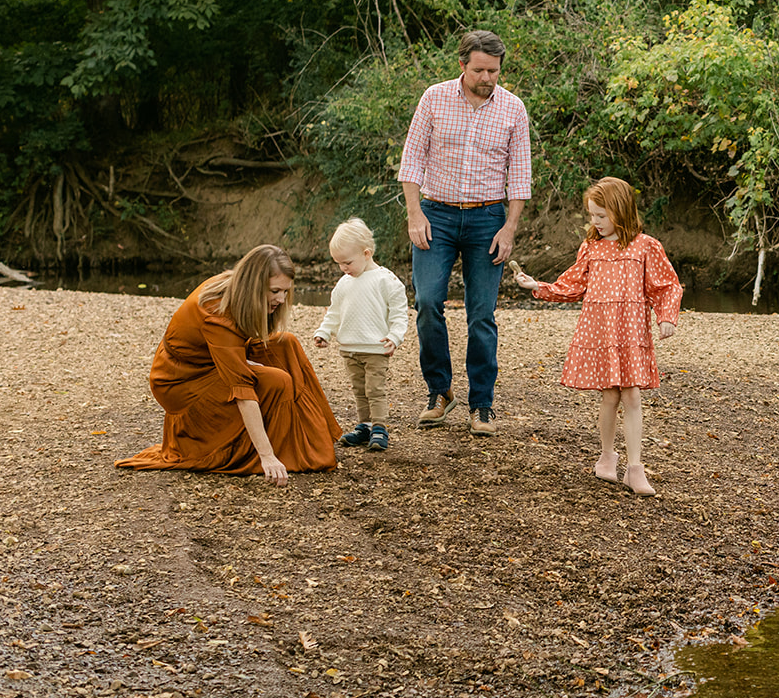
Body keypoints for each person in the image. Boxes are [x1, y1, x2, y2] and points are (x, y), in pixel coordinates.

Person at [397, 29, 531, 437]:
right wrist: (414, 214)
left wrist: (509, 229)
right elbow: (412, 160)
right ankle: (439, 392)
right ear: (462, 65)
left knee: (481, 315)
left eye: (493, 70)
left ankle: (481, 405)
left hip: (487, 219)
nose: (487, 77)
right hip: (435, 213)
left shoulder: (513, 108)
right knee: (428, 301)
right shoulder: (434, 98)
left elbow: (520, 176)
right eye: (479, 70)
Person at [117, 245, 343, 485]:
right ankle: (275, 450)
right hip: (181, 383)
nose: (281, 299)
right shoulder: (217, 310)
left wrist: (241, 360)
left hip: (209, 362)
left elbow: (236, 343)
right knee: (278, 381)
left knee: (287, 344)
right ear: (253, 286)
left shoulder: (238, 288)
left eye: (285, 291)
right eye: (275, 291)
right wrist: (266, 457)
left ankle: (308, 435)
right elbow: (243, 392)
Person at [513, 177, 682, 496]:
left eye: (601, 215)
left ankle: (635, 468)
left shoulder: (645, 246)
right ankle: (606, 457)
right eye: (592, 215)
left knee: (631, 395)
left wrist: (666, 317)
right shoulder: (591, 247)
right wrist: (539, 287)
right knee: (610, 396)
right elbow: (573, 284)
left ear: (620, 211)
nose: (595, 222)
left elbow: (667, 285)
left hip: (630, 331)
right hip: (600, 330)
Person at [312, 218, 410, 452]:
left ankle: (379, 427)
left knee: (375, 389)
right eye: (339, 264)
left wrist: (395, 337)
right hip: (349, 348)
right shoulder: (344, 284)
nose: (343, 268)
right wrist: (324, 332)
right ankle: (364, 425)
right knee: (359, 389)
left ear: (366, 253)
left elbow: (399, 314)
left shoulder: (387, 280)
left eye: (347, 262)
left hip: (376, 348)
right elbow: (334, 312)